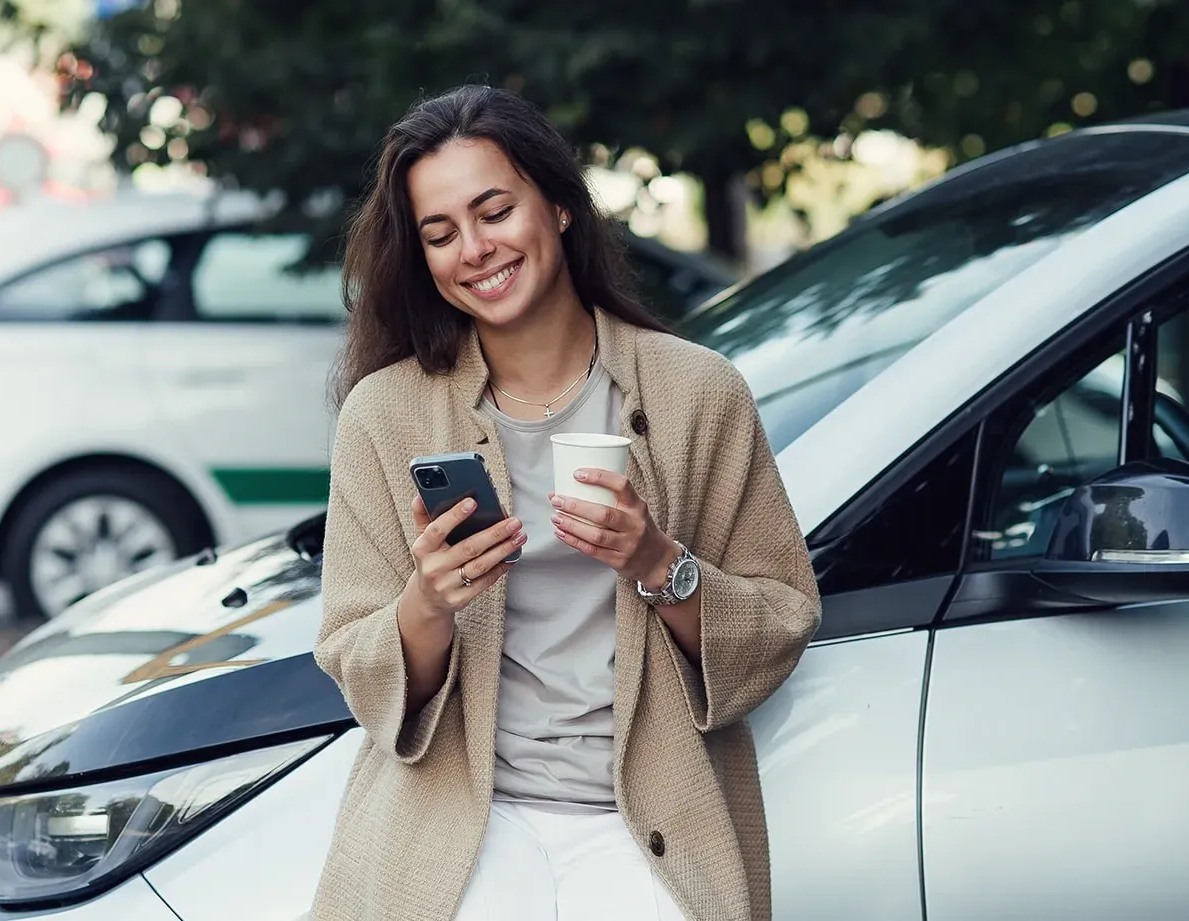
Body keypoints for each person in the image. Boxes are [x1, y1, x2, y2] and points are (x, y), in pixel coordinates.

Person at [311, 84, 820, 921]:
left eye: (494, 211)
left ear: (558, 205)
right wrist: (427, 601)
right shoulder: (384, 413)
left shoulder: (698, 392)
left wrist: (657, 562)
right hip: (465, 813)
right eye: (440, 234)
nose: (474, 248)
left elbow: (779, 623)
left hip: (643, 814)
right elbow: (353, 661)